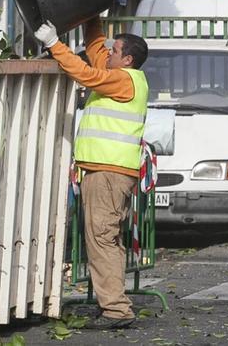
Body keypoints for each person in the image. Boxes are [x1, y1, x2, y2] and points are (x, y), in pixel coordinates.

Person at [35, 18, 149, 330]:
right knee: (106, 239)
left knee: (101, 239)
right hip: (107, 172)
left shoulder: (123, 80)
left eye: (116, 51)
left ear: (127, 59)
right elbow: (96, 47)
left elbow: (85, 73)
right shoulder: (121, 73)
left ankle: (116, 310)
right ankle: (114, 305)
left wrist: (54, 44)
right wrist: (91, 16)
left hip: (108, 173)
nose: (109, 53)